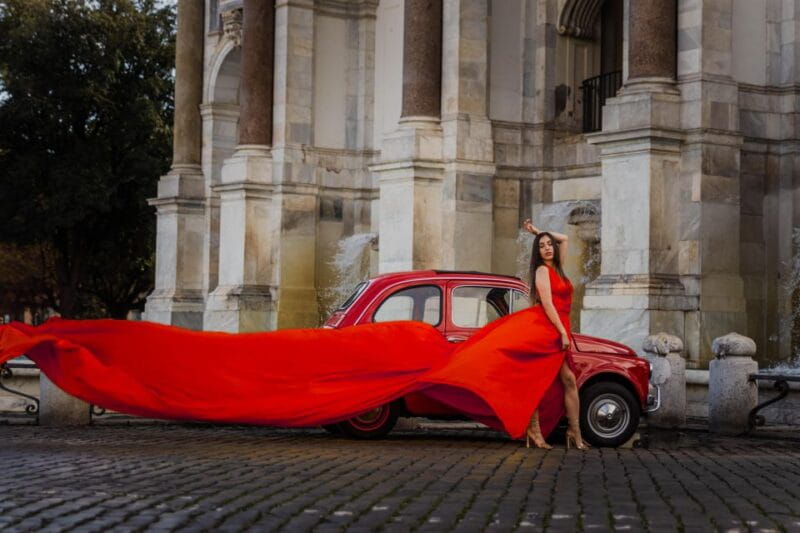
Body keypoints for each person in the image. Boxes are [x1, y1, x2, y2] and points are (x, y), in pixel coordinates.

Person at [521, 218, 588, 450]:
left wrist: (537, 233)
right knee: (549, 380)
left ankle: (573, 431)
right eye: (542, 246)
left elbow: (565, 238)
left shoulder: (558, 267)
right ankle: (535, 430)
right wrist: (562, 333)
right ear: (537, 253)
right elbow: (548, 304)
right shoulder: (541, 271)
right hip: (550, 329)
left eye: (549, 244)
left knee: (567, 380)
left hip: (562, 326)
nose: (548, 247)